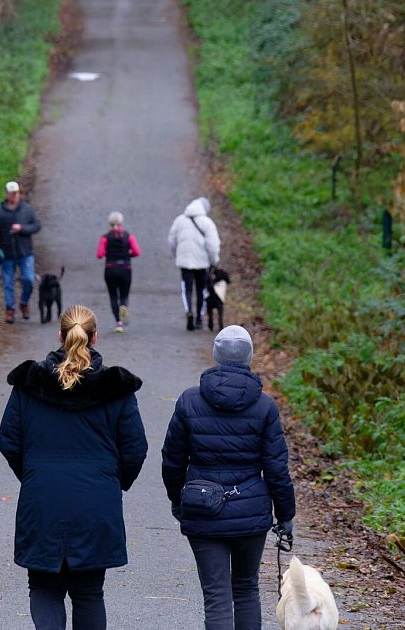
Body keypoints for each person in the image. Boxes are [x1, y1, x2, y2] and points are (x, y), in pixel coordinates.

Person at [0, 305, 148, 630]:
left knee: (43, 588)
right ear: (95, 337)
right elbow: (135, 448)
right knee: (89, 593)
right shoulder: (115, 389)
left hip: (42, 499)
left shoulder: (30, 384)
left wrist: (33, 474)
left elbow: (8, 440)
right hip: (97, 501)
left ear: (60, 336)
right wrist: (113, 481)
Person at [161, 325, 296, 630]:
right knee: (247, 588)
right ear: (250, 356)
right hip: (250, 510)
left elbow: (172, 459)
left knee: (216, 596)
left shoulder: (189, 400)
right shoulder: (264, 405)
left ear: (216, 356)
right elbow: (276, 468)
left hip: (202, 509)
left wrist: (176, 498)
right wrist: (285, 514)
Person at [0, 181, 42, 324]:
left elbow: (36, 226)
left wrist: (22, 228)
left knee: (29, 279)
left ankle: (24, 302)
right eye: (12, 193)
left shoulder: (27, 210)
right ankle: (9, 309)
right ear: (7, 194)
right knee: (8, 283)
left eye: (16, 193)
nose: (15, 196)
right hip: (7, 253)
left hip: (25, 252)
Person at [167, 197, 220, 330]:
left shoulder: (179, 220)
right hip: (202, 263)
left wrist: (177, 255)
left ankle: (189, 311)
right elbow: (213, 245)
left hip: (184, 261)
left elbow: (172, 240)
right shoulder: (207, 223)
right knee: (201, 290)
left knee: (187, 289)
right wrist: (214, 261)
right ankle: (199, 318)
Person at [96, 211, 141, 333]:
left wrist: (107, 253)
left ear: (109, 223)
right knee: (124, 294)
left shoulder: (105, 238)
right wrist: (128, 254)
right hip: (125, 268)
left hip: (110, 269)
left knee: (113, 296)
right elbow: (137, 252)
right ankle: (124, 306)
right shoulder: (129, 236)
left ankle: (118, 323)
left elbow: (99, 255)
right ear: (121, 222)